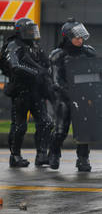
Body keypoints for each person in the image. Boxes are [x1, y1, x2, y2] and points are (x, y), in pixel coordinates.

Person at [0, 18, 52, 168]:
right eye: (29, 30)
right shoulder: (13, 45)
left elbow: (46, 62)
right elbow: (15, 66)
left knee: (46, 122)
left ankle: (42, 155)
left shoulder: (34, 46)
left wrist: (47, 70)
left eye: (33, 29)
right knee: (19, 125)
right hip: (21, 90)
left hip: (36, 91)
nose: (32, 33)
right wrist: (36, 72)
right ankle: (15, 156)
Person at [48, 18, 96, 172]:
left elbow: (96, 74)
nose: (80, 40)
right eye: (77, 37)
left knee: (84, 130)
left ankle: (83, 158)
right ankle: (54, 153)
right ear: (67, 37)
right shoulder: (58, 55)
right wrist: (70, 93)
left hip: (83, 96)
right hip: (64, 98)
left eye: (81, 37)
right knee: (61, 130)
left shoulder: (89, 53)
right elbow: (56, 81)